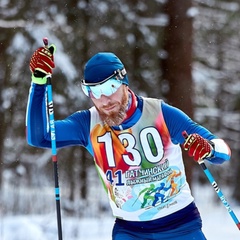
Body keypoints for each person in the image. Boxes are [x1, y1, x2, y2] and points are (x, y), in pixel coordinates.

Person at [26, 43, 231, 240]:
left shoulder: (160, 114)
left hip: (180, 225)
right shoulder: (87, 124)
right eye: (94, 91)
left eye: (110, 87)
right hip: (130, 230)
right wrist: (39, 83)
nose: (104, 99)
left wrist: (209, 149)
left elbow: (222, 151)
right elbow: (40, 136)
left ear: (124, 82)